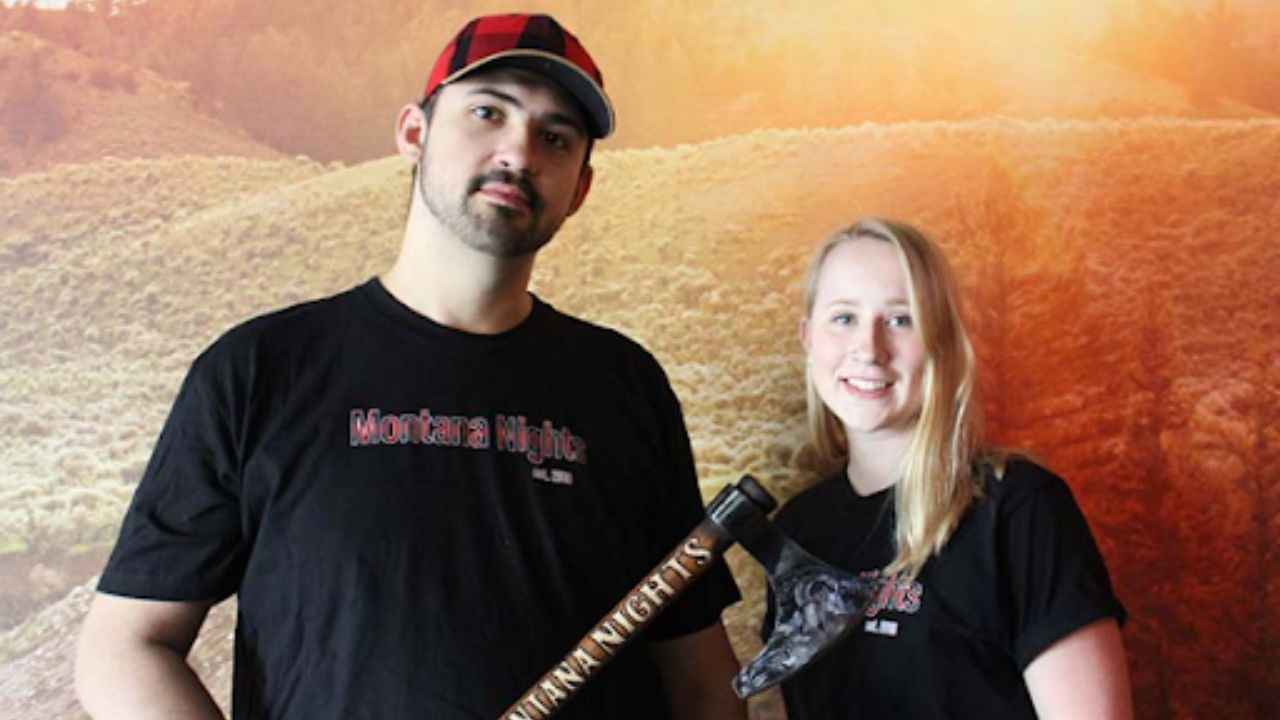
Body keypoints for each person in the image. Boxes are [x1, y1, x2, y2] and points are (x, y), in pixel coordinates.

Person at [75, 14, 745, 720]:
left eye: (555, 137)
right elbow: (124, 648)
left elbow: (700, 679)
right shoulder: (258, 371)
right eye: (488, 112)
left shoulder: (625, 385)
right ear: (414, 134)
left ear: (579, 187)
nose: (518, 150)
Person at [764, 217, 1132, 719]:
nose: (869, 349)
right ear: (808, 337)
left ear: (940, 339)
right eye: (844, 318)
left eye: (901, 319)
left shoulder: (1018, 509)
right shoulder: (798, 532)